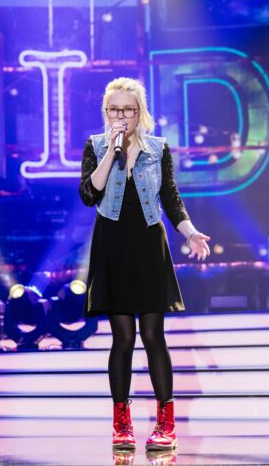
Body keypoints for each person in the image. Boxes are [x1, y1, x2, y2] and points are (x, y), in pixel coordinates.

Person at [79, 77, 211, 452]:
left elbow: (170, 196)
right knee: (122, 337)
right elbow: (89, 194)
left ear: (140, 112)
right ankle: (121, 423)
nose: (121, 116)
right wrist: (111, 152)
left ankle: (165, 423)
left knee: (153, 335)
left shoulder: (158, 148)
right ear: (106, 112)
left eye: (128, 109)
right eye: (114, 110)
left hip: (149, 244)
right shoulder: (95, 146)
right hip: (112, 245)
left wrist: (189, 232)